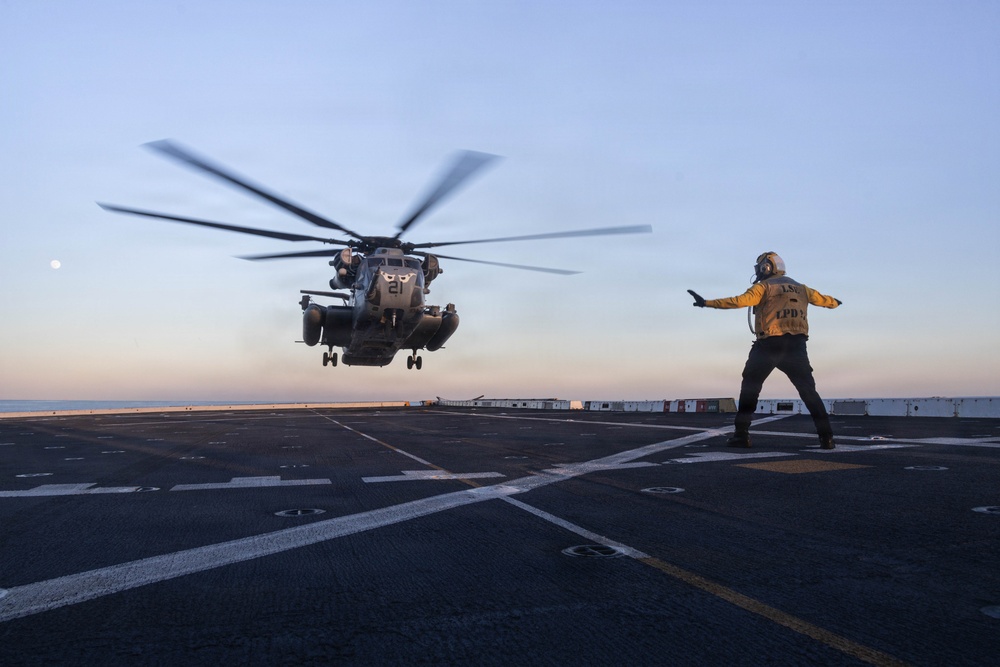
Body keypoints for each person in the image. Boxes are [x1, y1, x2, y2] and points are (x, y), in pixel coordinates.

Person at [688, 252, 841, 449]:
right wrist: (835, 302)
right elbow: (824, 300)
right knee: (809, 392)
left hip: (768, 345)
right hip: (797, 347)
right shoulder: (803, 289)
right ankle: (826, 437)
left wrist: (707, 303)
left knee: (750, 388)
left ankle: (741, 435)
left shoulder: (764, 287)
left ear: (766, 268)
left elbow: (739, 301)